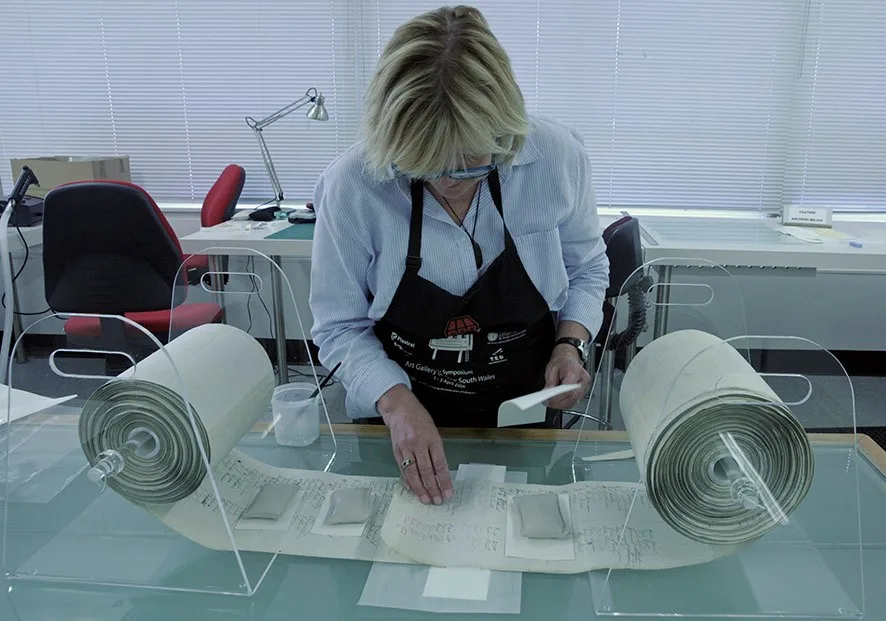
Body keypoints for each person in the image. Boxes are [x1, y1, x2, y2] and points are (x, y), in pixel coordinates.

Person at [309, 5, 609, 505]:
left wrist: (570, 344)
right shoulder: (353, 187)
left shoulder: (556, 159)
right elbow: (338, 327)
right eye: (423, 166)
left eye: (470, 164)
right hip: (397, 416)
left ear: (504, 131)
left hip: (522, 410)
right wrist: (396, 403)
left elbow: (588, 267)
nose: (448, 183)